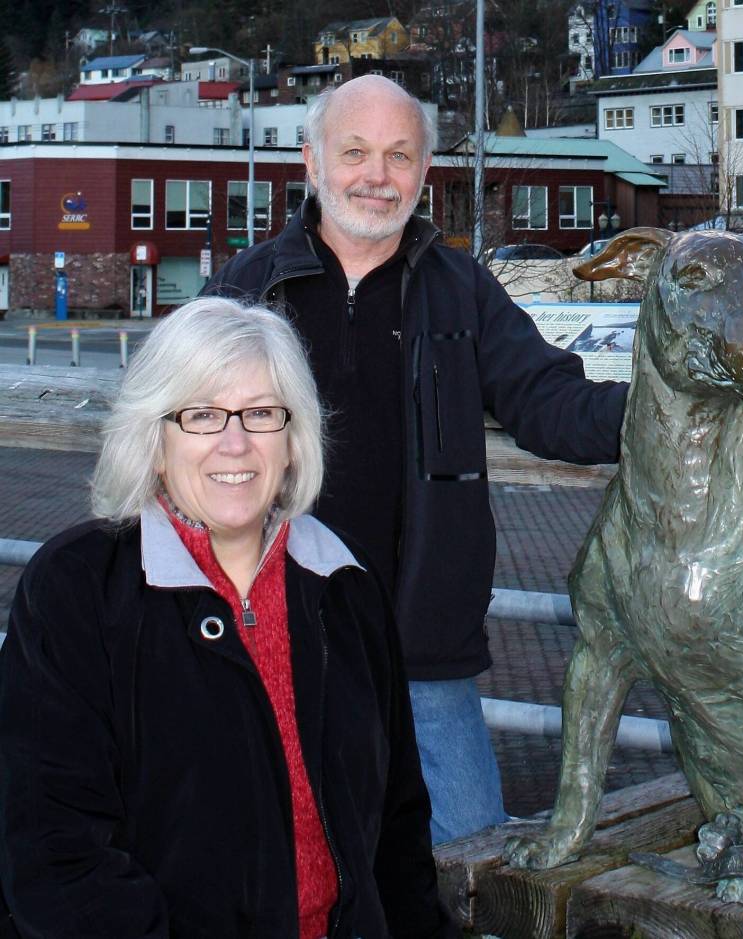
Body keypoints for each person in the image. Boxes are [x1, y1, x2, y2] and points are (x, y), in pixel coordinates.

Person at [204, 75, 628, 844]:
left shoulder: (461, 288)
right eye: (356, 152)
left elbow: (550, 402)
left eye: (399, 155)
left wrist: (678, 411)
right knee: (272, 863)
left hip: (422, 650)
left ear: (425, 171)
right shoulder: (246, 291)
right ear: (312, 160)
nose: (377, 175)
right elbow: (173, 425)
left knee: (464, 868)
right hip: (272, 637)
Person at [0, 298, 455, 939]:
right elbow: (54, 853)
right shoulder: (79, 589)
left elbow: (397, 832)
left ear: (293, 442)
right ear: (154, 442)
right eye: (202, 415)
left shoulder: (344, 584)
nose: (234, 442)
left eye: (261, 414)